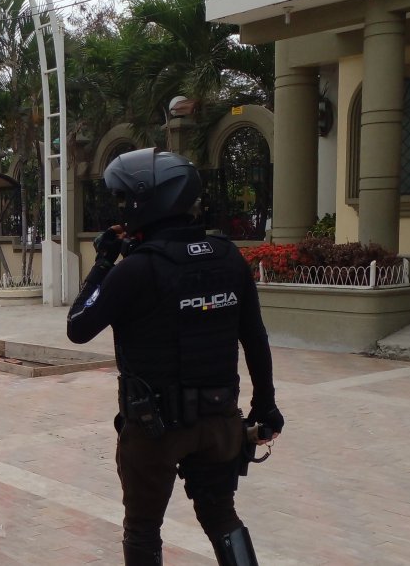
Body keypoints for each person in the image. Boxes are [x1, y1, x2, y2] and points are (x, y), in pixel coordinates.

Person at [66, 148, 282, 566]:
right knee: (221, 515)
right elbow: (254, 337)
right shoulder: (228, 257)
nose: (122, 210)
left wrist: (104, 261)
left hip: (155, 430)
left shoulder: (136, 269)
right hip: (220, 421)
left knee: (143, 529)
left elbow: (78, 325)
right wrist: (265, 406)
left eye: (125, 200)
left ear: (146, 201)